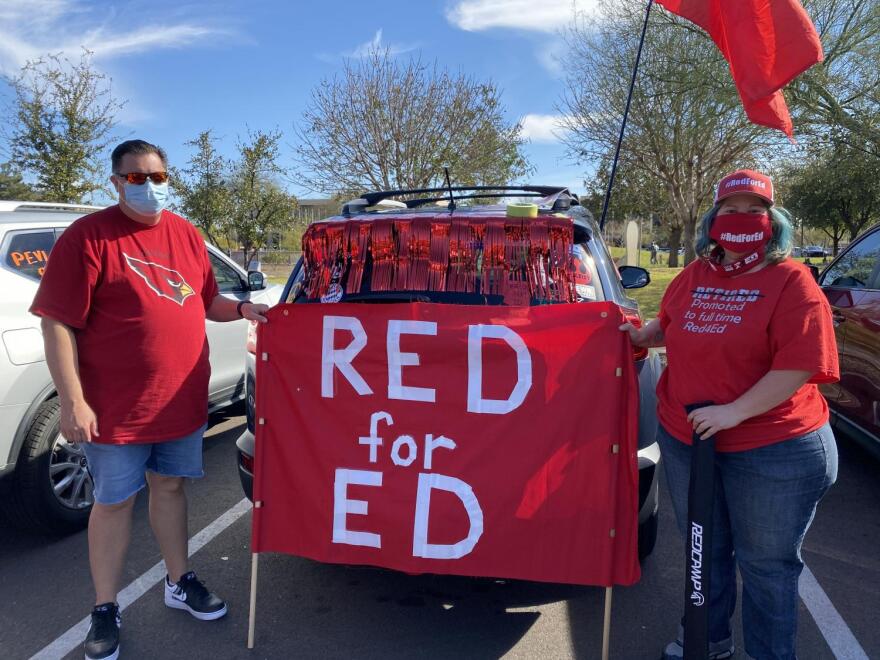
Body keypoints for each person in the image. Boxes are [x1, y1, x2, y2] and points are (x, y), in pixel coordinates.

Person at [30, 140, 270, 660]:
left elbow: (206, 299)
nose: (150, 186)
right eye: (137, 178)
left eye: (158, 177)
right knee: (114, 503)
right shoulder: (88, 237)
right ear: (116, 182)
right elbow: (56, 323)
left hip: (179, 400)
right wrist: (72, 401)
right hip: (116, 409)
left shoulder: (185, 233)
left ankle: (179, 580)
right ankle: (104, 607)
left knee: (170, 489)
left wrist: (242, 309)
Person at [619, 169, 838, 660]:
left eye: (754, 210)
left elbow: (800, 365)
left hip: (774, 450)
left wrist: (735, 411)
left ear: (773, 221)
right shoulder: (697, 274)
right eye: (730, 209)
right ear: (713, 220)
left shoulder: (792, 281)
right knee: (704, 550)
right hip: (689, 440)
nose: (742, 218)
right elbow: (670, 324)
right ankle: (706, 639)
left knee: (766, 565)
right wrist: (640, 335)